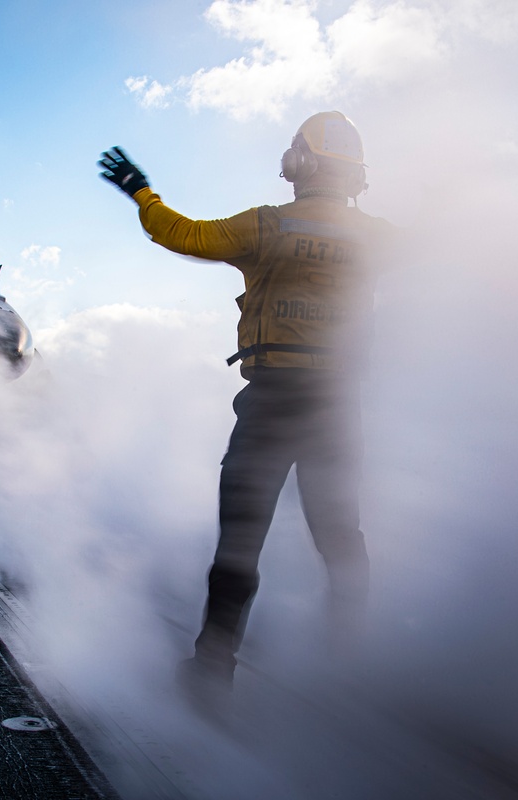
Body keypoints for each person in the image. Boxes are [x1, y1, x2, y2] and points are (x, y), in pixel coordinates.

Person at [99, 112, 396, 695]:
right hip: (338, 408)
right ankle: (350, 665)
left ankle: (212, 671)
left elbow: (181, 234)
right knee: (340, 539)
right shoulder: (377, 237)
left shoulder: (267, 226)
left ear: (301, 165)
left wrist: (141, 190)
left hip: (272, 405)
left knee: (240, 543)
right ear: (355, 175)